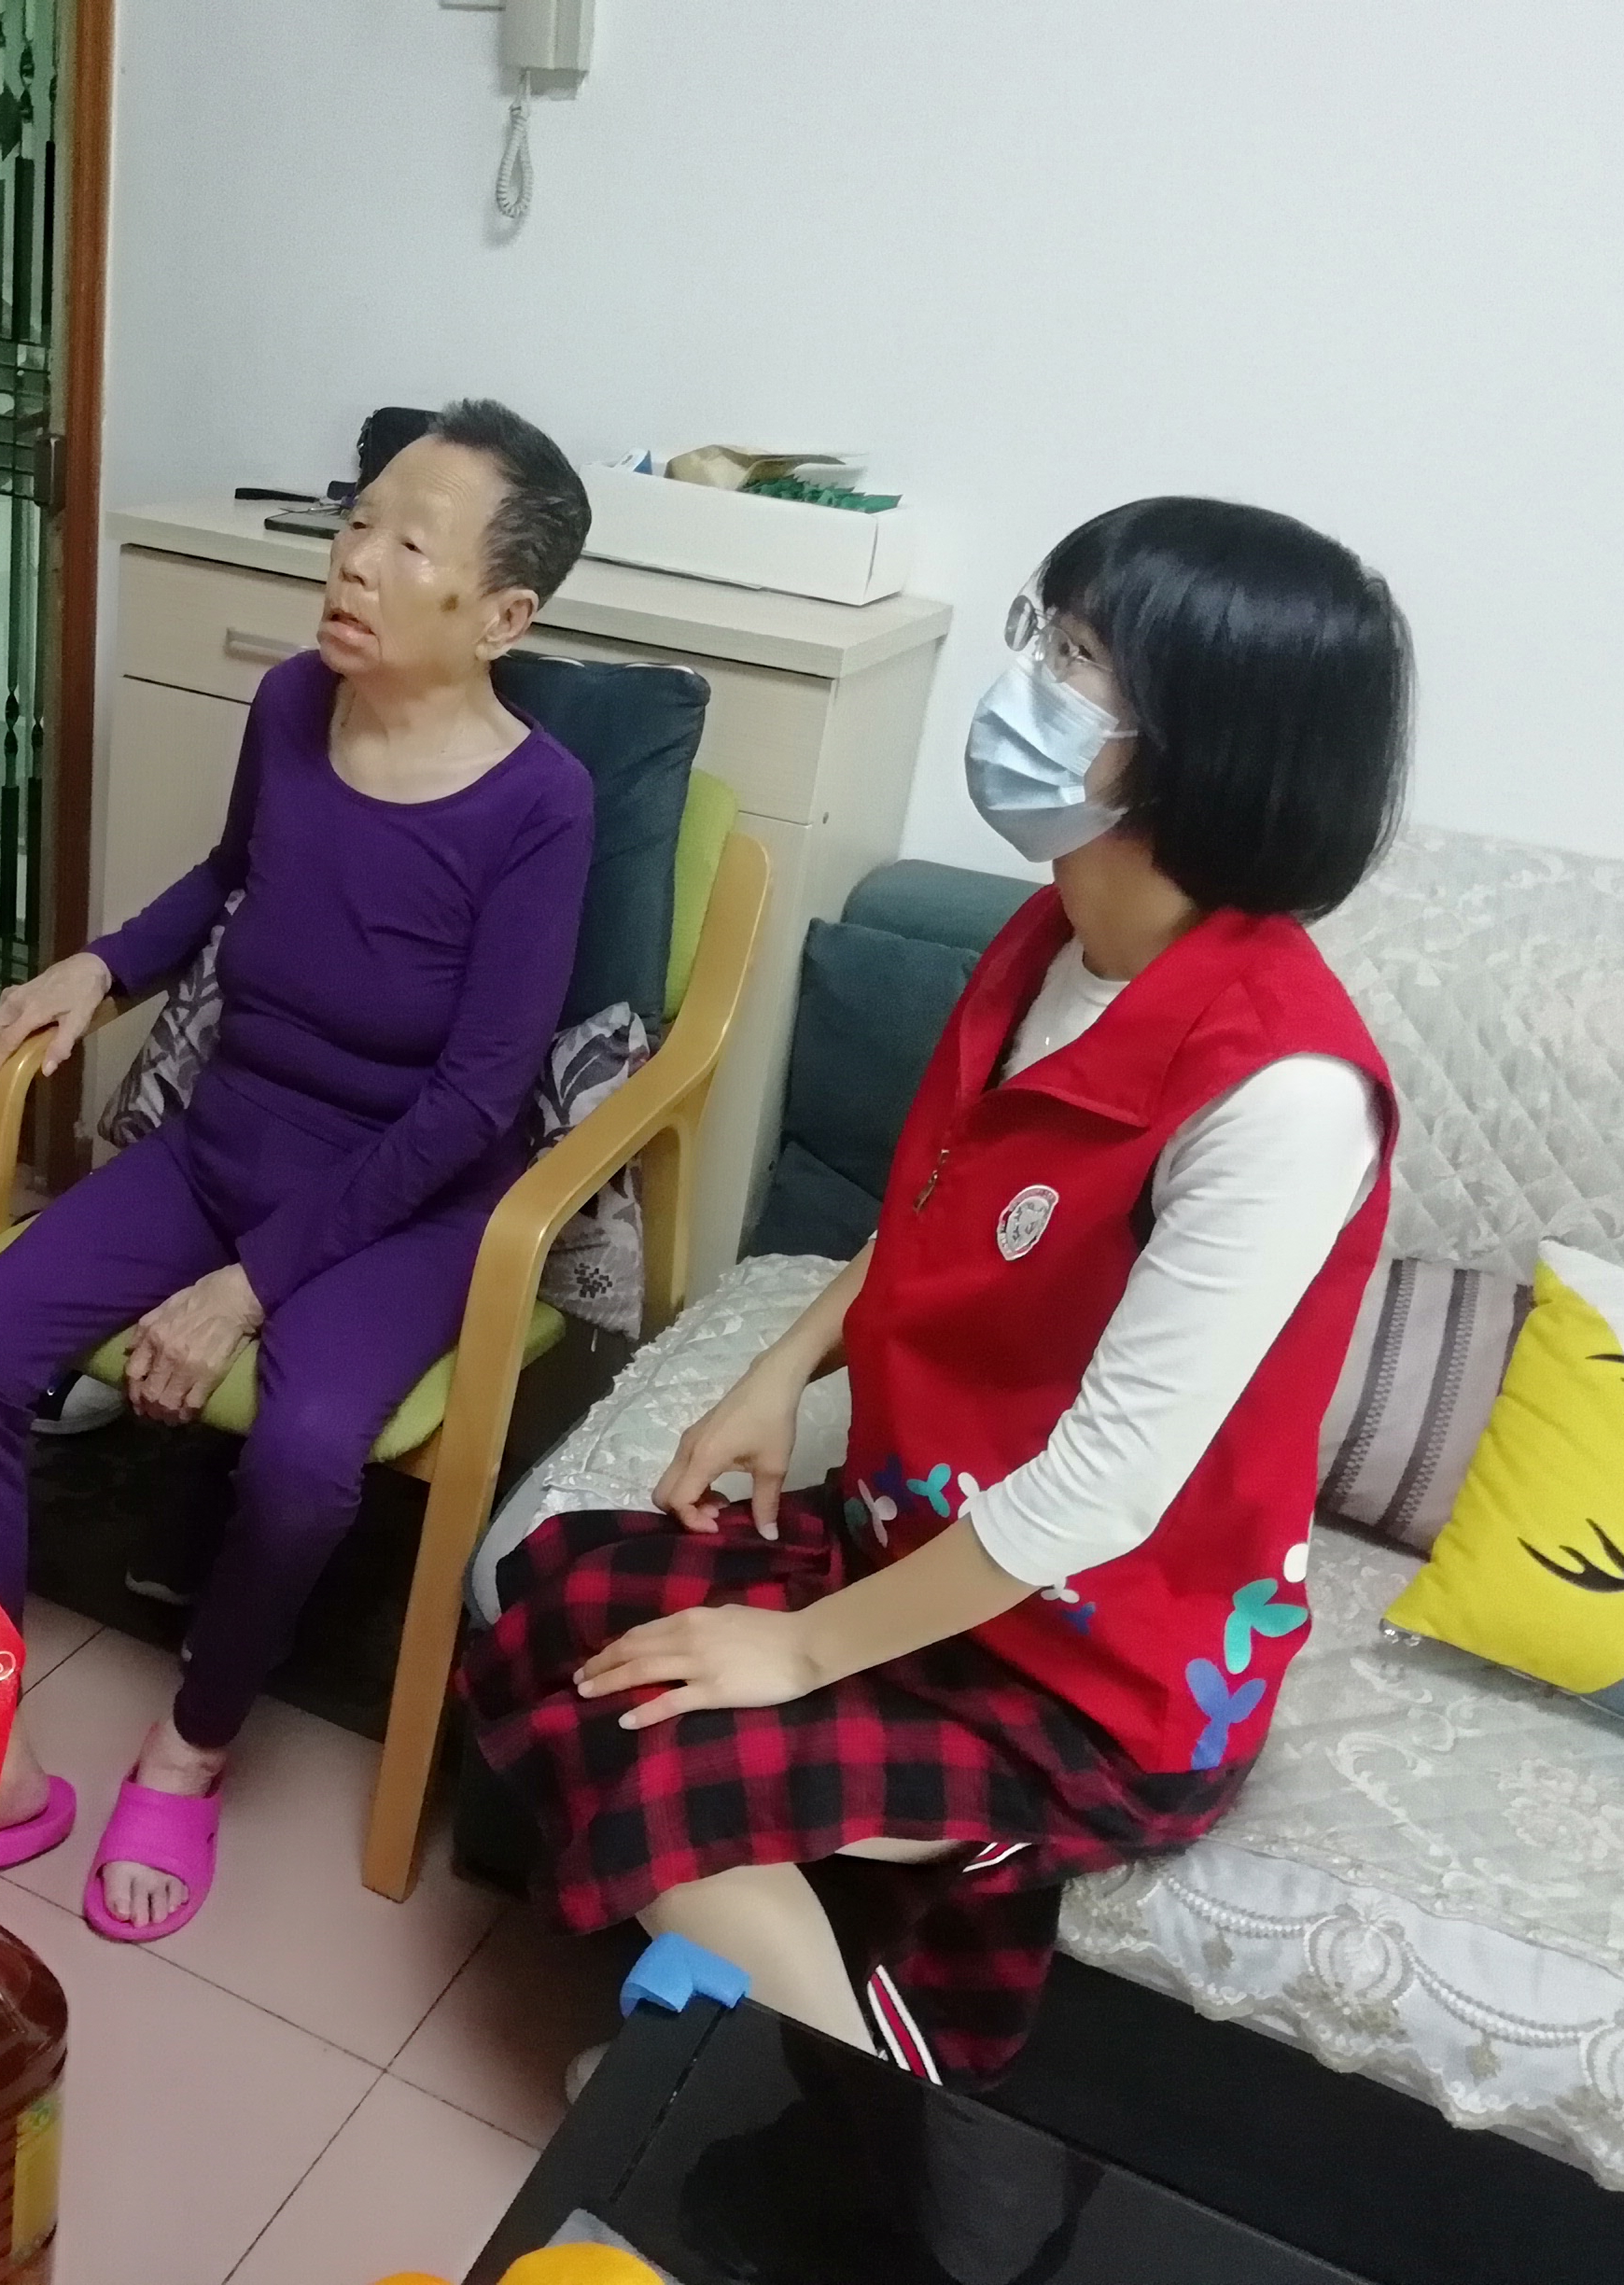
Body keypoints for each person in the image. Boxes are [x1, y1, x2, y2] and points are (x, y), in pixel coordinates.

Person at [464, 497, 1412, 2082]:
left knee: (667, 1749)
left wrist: (797, 1654)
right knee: (563, 1590)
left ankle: (848, 2126)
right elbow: (936, 1212)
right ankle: (748, 2005)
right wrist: (783, 1371)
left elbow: (1104, 1491)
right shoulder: (1051, 936)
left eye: (1079, 660)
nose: (1024, 679)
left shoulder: (1287, 1096)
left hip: (1098, 1664)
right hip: (912, 1541)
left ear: (1208, 745)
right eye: (1043, 632)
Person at [0, 401, 598, 1941]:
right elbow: (230, 880)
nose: (354, 560)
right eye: (358, 522)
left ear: (502, 616)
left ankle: (192, 1745)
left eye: (407, 544)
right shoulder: (295, 702)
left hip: (410, 1202)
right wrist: (99, 966)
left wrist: (247, 1286)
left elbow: (477, 1098)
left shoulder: (541, 805)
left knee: (302, 1455)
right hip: (232, 1140)